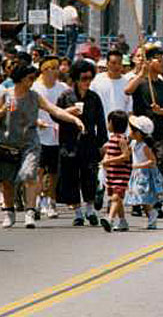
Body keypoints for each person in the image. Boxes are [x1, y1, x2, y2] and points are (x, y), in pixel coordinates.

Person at [0, 64, 84, 229]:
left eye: (33, 78)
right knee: (7, 181)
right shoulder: (6, 95)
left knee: (29, 175)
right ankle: (9, 212)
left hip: (29, 143)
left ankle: (30, 212)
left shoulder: (34, 97)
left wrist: (74, 119)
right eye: (30, 78)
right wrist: (2, 111)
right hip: (7, 143)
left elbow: (54, 110)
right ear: (20, 78)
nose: (32, 82)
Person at [125, 45, 163, 217]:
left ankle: (156, 202)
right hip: (140, 134)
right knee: (139, 167)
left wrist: (162, 111)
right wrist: (141, 73)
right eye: (158, 60)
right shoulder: (139, 81)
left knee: (159, 165)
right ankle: (137, 201)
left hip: (159, 133)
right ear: (148, 61)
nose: (162, 63)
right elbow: (127, 91)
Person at [56, 59, 108, 227]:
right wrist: (67, 112)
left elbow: (101, 122)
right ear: (76, 79)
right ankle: (77, 212)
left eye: (89, 78)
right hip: (69, 143)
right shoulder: (65, 96)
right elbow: (54, 114)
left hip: (89, 143)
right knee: (70, 178)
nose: (87, 82)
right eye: (83, 78)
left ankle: (90, 209)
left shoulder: (94, 98)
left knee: (89, 177)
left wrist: (103, 144)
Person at [31, 55, 68, 219]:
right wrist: (36, 121)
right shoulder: (34, 88)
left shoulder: (63, 88)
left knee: (53, 172)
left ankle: (51, 200)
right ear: (43, 70)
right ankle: (39, 200)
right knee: (39, 170)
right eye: (50, 68)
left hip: (58, 135)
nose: (54, 71)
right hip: (39, 134)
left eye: (56, 68)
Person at [124, 115, 163, 230]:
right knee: (140, 200)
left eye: (131, 129)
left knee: (144, 199)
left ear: (138, 133)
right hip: (137, 175)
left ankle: (152, 215)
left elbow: (152, 161)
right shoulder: (134, 144)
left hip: (144, 175)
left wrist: (136, 166)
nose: (129, 131)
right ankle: (151, 215)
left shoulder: (144, 146)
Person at [100, 110, 132, 232]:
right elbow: (108, 153)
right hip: (112, 174)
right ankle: (123, 221)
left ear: (112, 123)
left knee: (115, 197)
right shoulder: (112, 139)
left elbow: (126, 156)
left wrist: (109, 161)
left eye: (108, 122)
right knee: (117, 199)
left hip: (121, 174)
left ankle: (110, 219)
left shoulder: (121, 139)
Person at [90, 50, 133, 121]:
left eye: (119, 63)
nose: (116, 66)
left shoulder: (127, 83)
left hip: (121, 128)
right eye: (113, 63)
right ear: (107, 64)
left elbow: (129, 108)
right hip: (100, 126)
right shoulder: (96, 80)